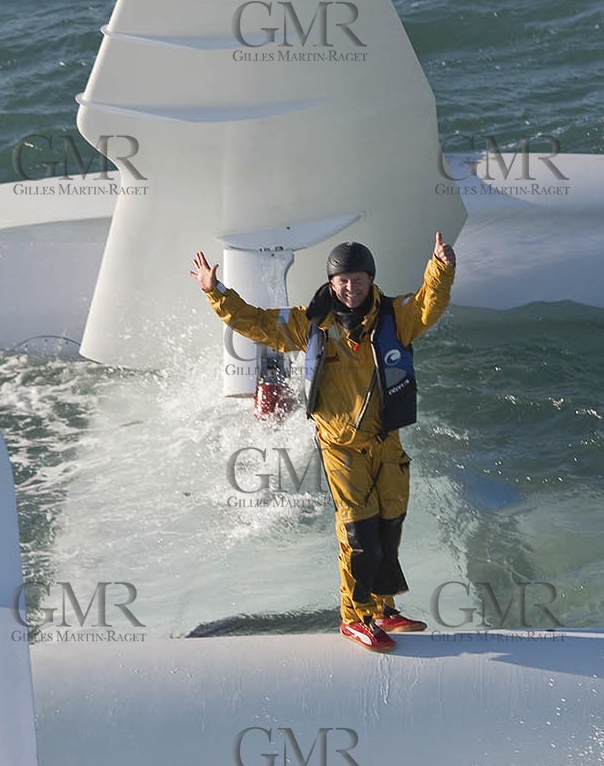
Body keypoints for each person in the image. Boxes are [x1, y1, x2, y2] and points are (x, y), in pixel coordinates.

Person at [190, 233, 457, 650]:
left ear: (371, 280)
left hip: (386, 442)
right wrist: (217, 292)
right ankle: (354, 616)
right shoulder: (310, 323)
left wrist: (440, 266)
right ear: (332, 283)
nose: (351, 288)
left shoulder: (393, 317)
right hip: (341, 445)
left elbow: (428, 303)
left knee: (389, 524)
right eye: (343, 281)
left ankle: (382, 608)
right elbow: (258, 322)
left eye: (359, 280)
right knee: (358, 530)